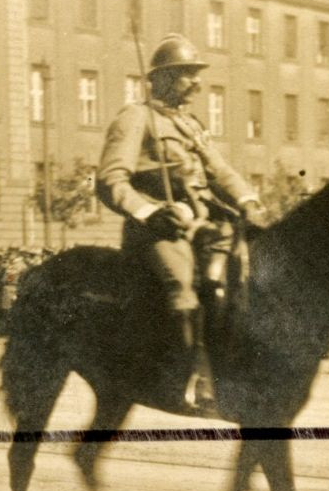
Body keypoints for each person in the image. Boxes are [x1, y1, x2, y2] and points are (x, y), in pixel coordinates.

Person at [97, 32, 268, 415]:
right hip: (160, 231)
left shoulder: (190, 124)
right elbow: (111, 181)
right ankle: (187, 378)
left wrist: (248, 201)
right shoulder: (136, 117)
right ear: (162, 78)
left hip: (206, 224)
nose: (197, 82)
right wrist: (150, 211)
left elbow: (220, 170)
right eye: (187, 74)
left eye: (196, 74)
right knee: (183, 286)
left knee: (238, 279)